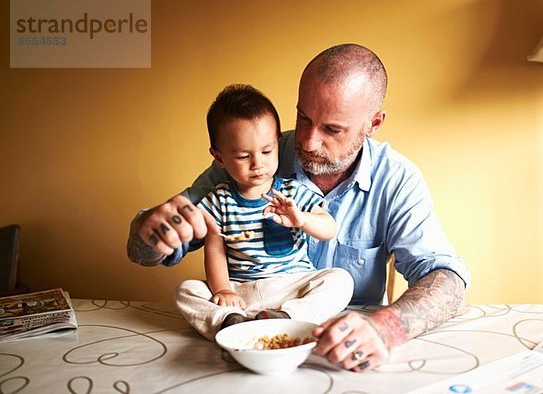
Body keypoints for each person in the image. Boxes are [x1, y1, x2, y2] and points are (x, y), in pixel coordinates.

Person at [127, 43, 471, 372]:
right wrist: (150, 232)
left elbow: (447, 279)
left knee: (340, 281)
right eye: (303, 117)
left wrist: (388, 328)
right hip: (244, 337)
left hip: (335, 351)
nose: (306, 141)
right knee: (188, 290)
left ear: (373, 124)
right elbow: (147, 249)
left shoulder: (396, 179)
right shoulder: (254, 151)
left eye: (332, 129)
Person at [174, 84, 354, 340]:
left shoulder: (291, 192)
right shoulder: (219, 200)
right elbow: (214, 249)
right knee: (187, 290)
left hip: (291, 287)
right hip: (241, 291)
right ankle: (228, 322)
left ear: (278, 144)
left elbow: (329, 228)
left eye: (267, 151)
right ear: (219, 157)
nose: (258, 164)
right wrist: (224, 290)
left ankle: (288, 318)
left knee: (340, 280)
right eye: (244, 156)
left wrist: (302, 219)